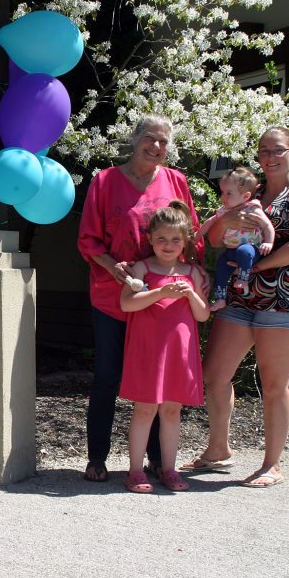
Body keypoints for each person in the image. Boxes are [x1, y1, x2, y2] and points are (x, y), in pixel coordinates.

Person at [182, 127, 289, 488]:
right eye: (264, 150)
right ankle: (218, 449)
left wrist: (255, 267)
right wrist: (225, 222)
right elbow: (215, 238)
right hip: (241, 297)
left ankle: (271, 464)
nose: (270, 156)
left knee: (274, 383)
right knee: (215, 374)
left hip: (287, 298)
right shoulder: (249, 192)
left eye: (278, 150)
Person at [76, 115, 203, 483]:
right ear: (134, 140)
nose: (157, 147)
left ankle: (156, 462)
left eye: (164, 141)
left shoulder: (176, 181)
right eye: (150, 138)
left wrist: (198, 273)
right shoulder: (105, 181)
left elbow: (188, 235)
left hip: (162, 305)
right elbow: (89, 240)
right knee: (108, 377)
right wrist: (115, 268)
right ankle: (97, 458)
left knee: (157, 381)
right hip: (113, 297)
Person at [119, 202, 210, 493]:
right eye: (161, 239)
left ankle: (169, 469)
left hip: (178, 353)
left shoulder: (192, 272)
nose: (168, 245)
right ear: (150, 239)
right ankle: (135, 471)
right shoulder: (142, 269)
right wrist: (160, 291)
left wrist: (191, 295)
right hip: (149, 351)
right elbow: (126, 303)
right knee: (145, 409)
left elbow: (203, 315)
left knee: (172, 411)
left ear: (185, 241)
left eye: (175, 240)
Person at [197, 167, 275, 311]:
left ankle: (243, 279)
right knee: (221, 265)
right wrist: (197, 236)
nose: (223, 197)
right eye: (222, 193)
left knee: (244, 251)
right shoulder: (224, 211)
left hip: (251, 249)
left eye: (229, 193)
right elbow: (209, 222)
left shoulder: (253, 209)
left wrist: (268, 242)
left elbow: (267, 226)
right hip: (230, 250)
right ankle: (220, 298)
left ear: (245, 196)